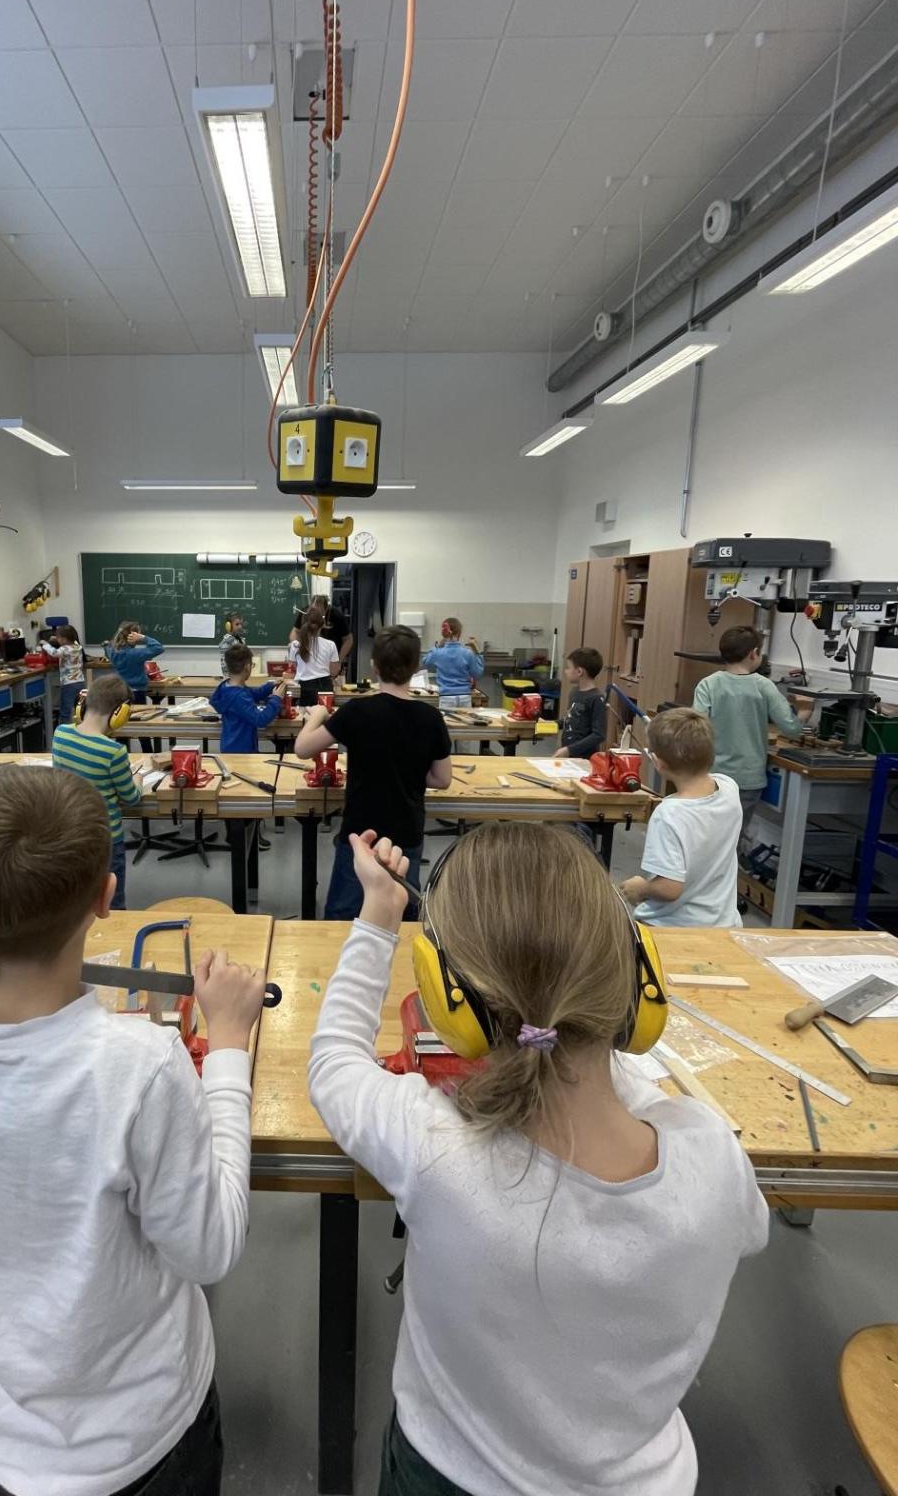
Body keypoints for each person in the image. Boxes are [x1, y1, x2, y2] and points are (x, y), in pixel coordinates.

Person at [308, 822, 768, 1496]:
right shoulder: (712, 1154)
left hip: (447, 1476)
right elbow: (747, 1226)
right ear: (637, 976)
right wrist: (591, 1044)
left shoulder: (437, 1148)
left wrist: (380, 914)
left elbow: (333, 1064)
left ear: (449, 1000)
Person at [0, 767, 268, 1496]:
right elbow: (210, 1248)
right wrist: (230, 1046)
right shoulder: (140, 1065)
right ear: (105, 898)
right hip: (141, 1445)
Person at [295, 624, 451, 920]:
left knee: (343, 914)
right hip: (406, 831)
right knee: (402, 911)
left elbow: (302, 748)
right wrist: (408, 769)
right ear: (416, 667)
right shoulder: (431, 717)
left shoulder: (357, 711)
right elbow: (442, 779)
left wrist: (317, 715)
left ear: (374, 666)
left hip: (360, 833)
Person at [621, 708, 742, 928]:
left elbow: (670, 888)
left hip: (674, 927)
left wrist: (641, 888)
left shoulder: (668, 814)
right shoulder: (729, 788)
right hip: (724, 925)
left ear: (658, 763)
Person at [694, 625, 806, 856]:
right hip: (748, 780)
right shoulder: (764, 686)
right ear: (754, 653)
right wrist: (805, 711)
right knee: (731, 842)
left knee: (707, 838)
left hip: (712, 776)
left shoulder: (708, 684)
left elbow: (697, 729)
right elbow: (791, 729)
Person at [52, 673, 141, 908]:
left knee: (78, 898)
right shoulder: (113, 751)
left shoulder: (60, 733)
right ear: (120, 712)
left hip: (71, 831)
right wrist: (139, 780)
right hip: (106, 838)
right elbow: (131, 798)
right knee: (111, 902)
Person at [210, 643, 281, 754]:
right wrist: (276, 698)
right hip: (241, 753)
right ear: (247, 667)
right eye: (252, 665)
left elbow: (253, 694)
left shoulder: (227, 688)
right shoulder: (238, 696)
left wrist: (271, 686)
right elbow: (260, 719)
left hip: (231, 747)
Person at [110, 620, 165, 753]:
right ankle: (149, 755)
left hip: (120, 693)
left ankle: (120, 757)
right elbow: (159, 647)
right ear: (133, 636)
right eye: (138, 633)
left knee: (121, 727)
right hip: (137, 694)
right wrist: (143, 638)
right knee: (142, 729)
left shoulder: (112, 652)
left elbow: (110, 648)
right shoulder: (136, 654)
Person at [554, 645, 607, 760]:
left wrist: (570, 750)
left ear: (579, 671)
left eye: (568, 668)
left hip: (584, 760)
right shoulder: (574, 692)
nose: (565, 671)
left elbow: (599, 735)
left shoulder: (597, 699)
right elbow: (571, 719)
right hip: (569, 757)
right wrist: (552, 724)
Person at [421, 618, 484, 714]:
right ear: (459, 633)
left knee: (448, 723)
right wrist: (478, 652)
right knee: (464, 723)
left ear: (443, 633)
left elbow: (425, 662)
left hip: (446, 698)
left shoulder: (438, 653)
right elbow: (477, 674)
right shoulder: (468, 653)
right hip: (464, 697)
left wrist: (436, 646)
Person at [288, 607, 341, 704]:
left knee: (305, 712)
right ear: (322, 625)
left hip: (304, 687)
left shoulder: (295, 645)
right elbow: (334, 671)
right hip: (325, 686)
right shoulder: (330, 645)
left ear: (303, 624)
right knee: (325, 712)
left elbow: (294, 666)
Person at [293, 593, 354, 664]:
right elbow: (295, 632)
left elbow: (348, 640)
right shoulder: (305, 612)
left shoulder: (336, 615)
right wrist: (298, 648)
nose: (315, 614)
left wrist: (338, 661)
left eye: (318, 612)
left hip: (330, 658)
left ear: (326, 609)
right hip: (309, 657)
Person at [54, 624, 86, 726]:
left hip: (68, 684)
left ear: (63, 639)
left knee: (66, 712)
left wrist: (45, 644)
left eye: (58, 637)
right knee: (79, 710)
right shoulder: (77, 646)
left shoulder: (64, 649)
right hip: (80, 682)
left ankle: (64, 732)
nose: (57, 639)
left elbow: (54, 653)